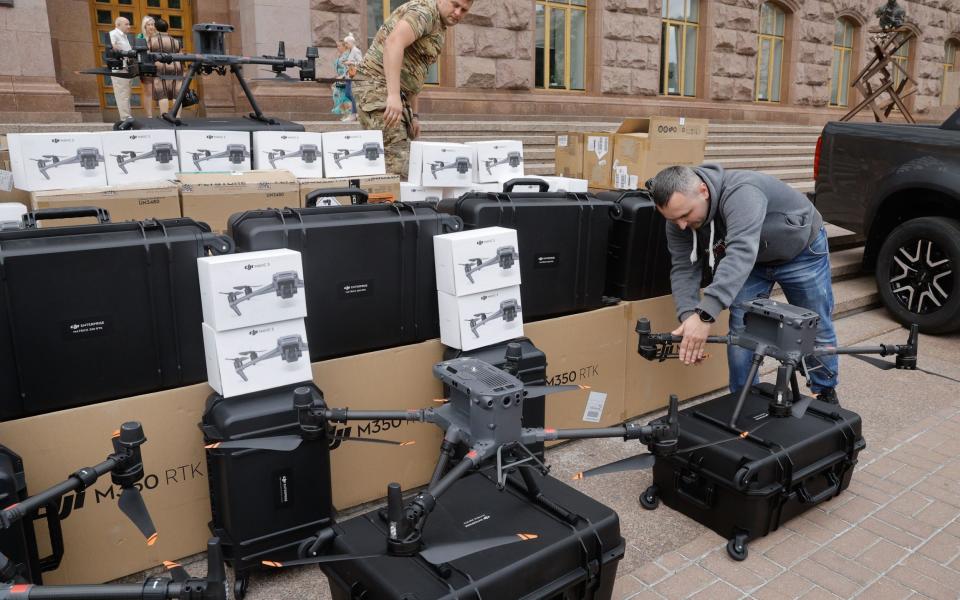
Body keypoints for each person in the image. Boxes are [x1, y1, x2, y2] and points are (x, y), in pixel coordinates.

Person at [649, 164, 840, 404]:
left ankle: (824, 393)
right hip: (752, 261)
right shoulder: (678, 220)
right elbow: (683, 267)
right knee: (741, 333)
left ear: (703, 191)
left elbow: (741, 252)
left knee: (816, 326)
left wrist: (705, 315)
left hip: (800, 251)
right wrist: (689, 317)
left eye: (685, 214)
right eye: (673, 219)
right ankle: (744, 399)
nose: (681, 225)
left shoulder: (742, 191)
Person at [354, 0, 473, 178]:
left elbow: (415, 72)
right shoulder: (424, 13)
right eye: (455, 5)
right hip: (377, 87)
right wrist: (393, 96)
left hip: (396, 93)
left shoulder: (438, 25)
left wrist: (414, 115)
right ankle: (389, 203)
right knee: (396, 164)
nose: (457, 13)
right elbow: (393, 43)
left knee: (404, 162)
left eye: (464, 10)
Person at [149, 17, 184, 118]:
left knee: (162, 93)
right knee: (177, 94)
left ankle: (165, 118)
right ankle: (177, 117)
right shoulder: (176, 41)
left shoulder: (152, 41)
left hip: (160, 68)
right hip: (177, 68)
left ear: (156, 28)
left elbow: (148, 55)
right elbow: (181, 55)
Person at [109, 17, 135, 121]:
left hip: (127, 68)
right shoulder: (113, 33)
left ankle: (128, 117)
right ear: (118, 25)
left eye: (129, 24)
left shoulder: (125, 36)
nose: (129, 26)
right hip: (119, 69)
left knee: (126, 94)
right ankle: (125, 118)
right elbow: (111, 46)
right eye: (126, 24)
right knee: (122, 94)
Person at [137, 16, 157, 118]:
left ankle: (163, 114)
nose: (151, 27)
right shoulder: (140, 37)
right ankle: (149, 116)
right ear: (144, 26)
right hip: (146, 67)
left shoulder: (158, 37)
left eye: (152, 24)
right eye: (148, 24)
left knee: (159, 92)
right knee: (148, 91)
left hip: (159, 67)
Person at [341, 33, 363, 122]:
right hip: (349, 76)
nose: (345, 45)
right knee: (347, 94)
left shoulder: (356, 51)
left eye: (346, 43)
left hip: (354, 76)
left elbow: (361, 63)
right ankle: (357, 111)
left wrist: (350, 63)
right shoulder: (350, 51)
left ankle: (354, 114)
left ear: (350, 43)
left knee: (352, 95)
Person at [332, 41, 352, 118]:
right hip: (339, 80)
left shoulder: (347, 56)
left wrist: (342, 76)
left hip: (344, 80)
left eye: (339, 46)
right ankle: (344, 115)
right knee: (339, 96)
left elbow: (347, 69)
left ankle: (348, 115)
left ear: (344, 46)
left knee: (345, 97)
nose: (337, 48)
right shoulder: (341, 55)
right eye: (337, 46)